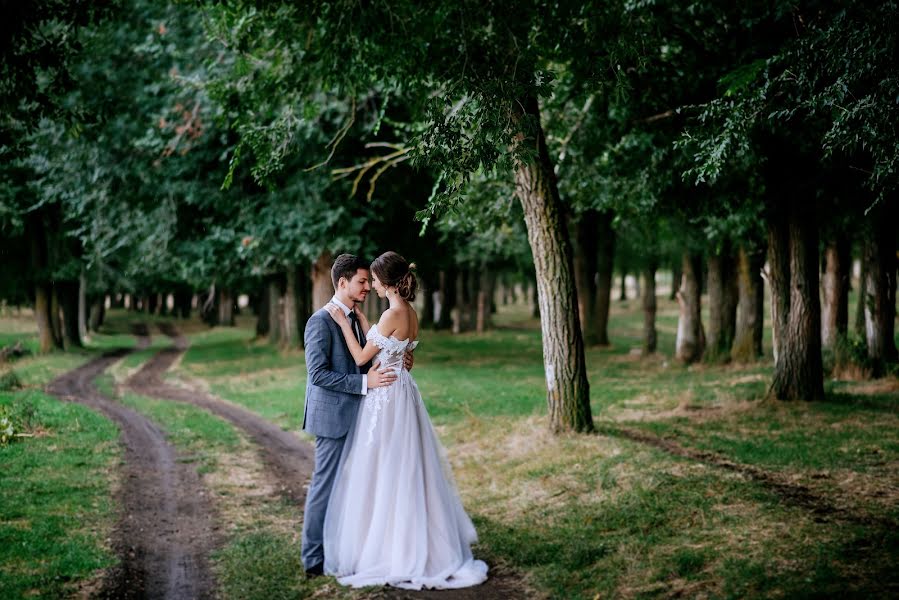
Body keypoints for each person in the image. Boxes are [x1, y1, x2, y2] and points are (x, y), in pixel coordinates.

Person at [322, 251, 488, 590]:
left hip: (387, 398)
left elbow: (361, 355)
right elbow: (390, 345)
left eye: (375, 281)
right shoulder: (408, 313)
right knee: (408, 466)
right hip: (404, 393)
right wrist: (366, 324)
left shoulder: (390, 314)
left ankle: (391, 548)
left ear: (387, 282)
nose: (373, 286)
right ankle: (411, 538)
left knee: (386, 467)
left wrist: (343, 323)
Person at [300, 254, 411, 577]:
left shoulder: (356, 316)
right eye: (362, 282)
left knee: (356, 487)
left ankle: (348, 550)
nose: (367, 287)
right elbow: (318, 374)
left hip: (365, 416)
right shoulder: (319, 321)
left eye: (368, 282)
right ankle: (313, 559)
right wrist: (366, 380)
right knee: (325, 485)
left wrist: (393, 361)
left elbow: (364, 358)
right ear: (342, 282)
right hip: (334, 419)